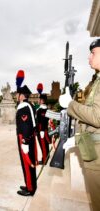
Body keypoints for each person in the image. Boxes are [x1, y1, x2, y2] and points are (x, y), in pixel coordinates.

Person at [59, 39, 100, 211]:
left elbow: (97, 116)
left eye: (93, 53)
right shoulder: (96, 81)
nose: (89, 57)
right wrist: (77, 139)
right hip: (92, 147)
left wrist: (70, 105)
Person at [16, 85, 37, 196]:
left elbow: (25, 125)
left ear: (22, 95)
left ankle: (30, 189)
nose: (16, 96)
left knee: (27, 163)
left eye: (17, 94)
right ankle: (30, 184)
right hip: (30, 137)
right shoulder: (30, 105)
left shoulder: (23, 107)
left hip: (25, 138)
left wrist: (24, 141)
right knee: (30, 163)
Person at [36, 94, 51, 165]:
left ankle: (44, 160)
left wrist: (41, 130)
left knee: (43, 145)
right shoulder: (45, 109)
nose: (37, 100)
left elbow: (42, 120)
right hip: (43, 129)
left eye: (38, 99)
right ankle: (46, 157)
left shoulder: (41, 110)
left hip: (41, 130)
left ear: (42, 100)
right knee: (45, 144)